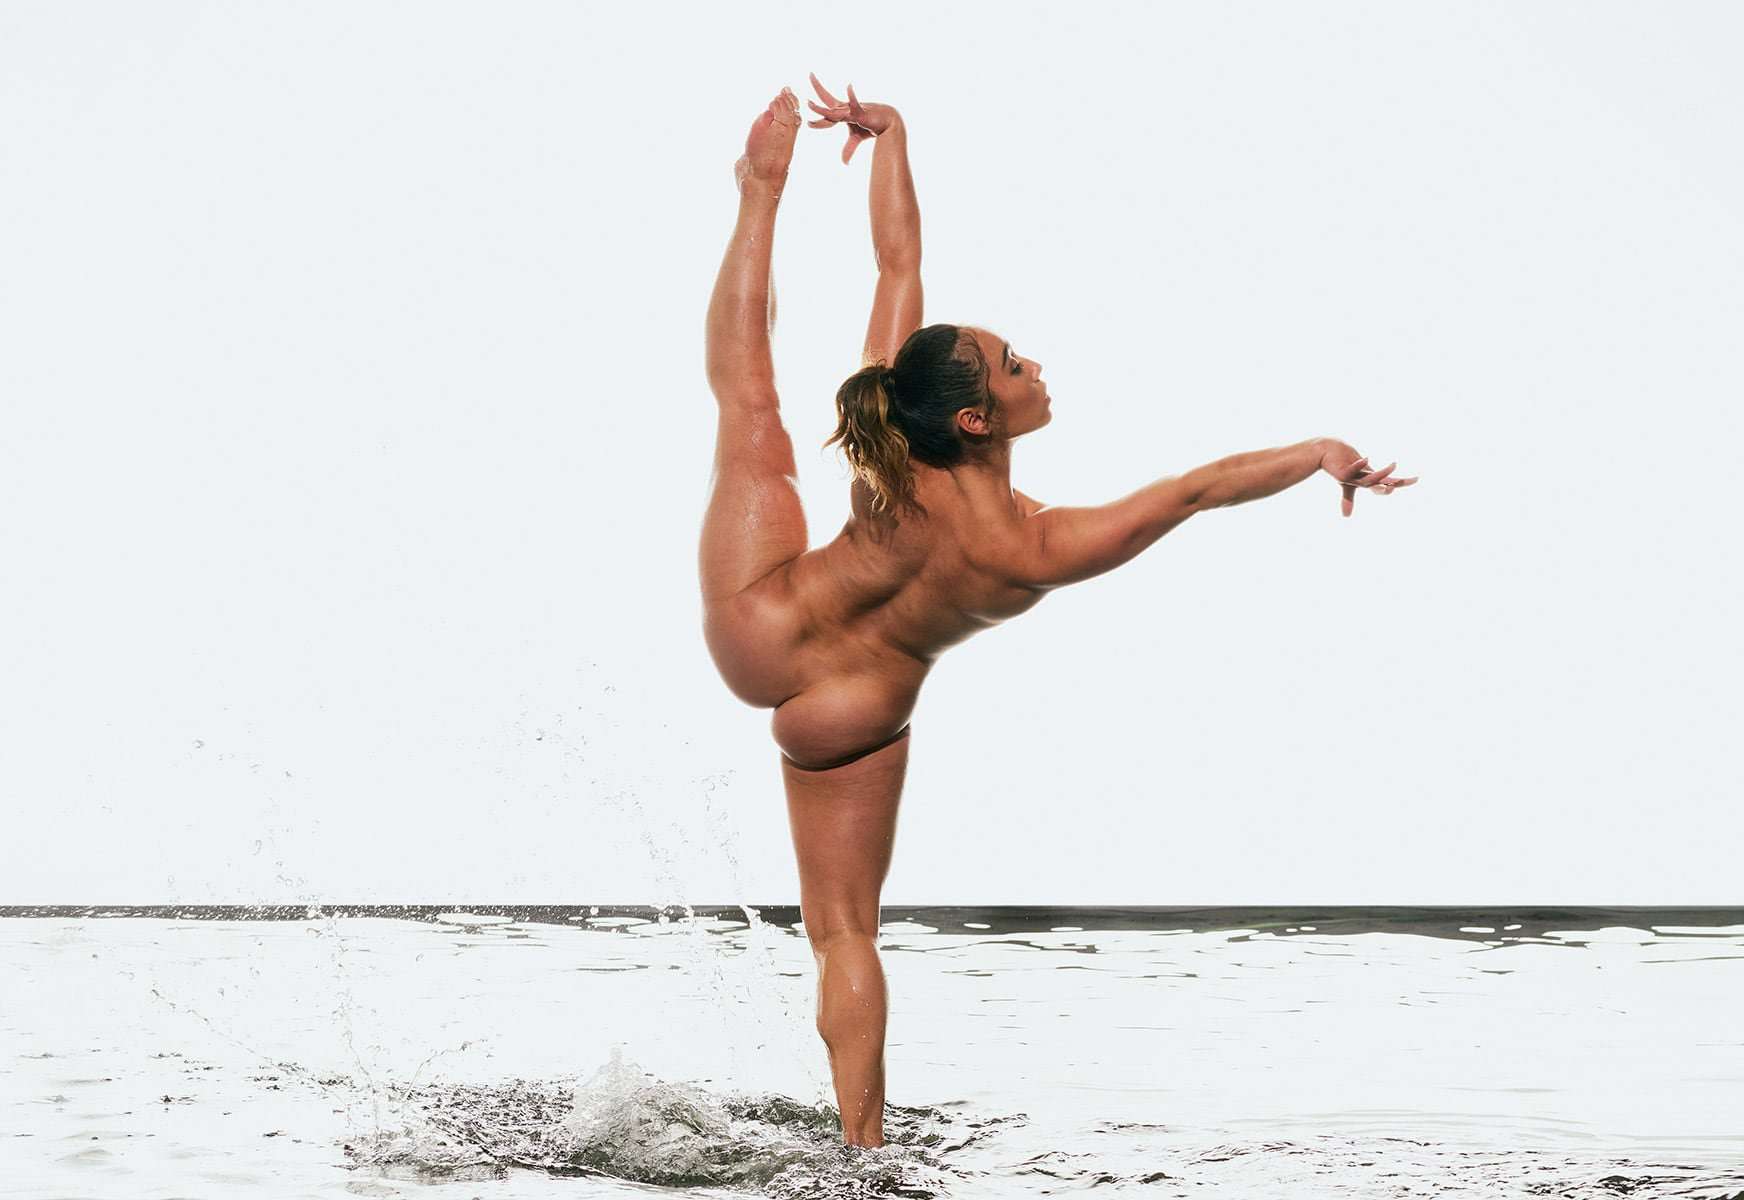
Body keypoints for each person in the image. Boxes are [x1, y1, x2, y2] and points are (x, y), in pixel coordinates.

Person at [699, 78, 1416, 1148]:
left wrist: (889, 139)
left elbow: (898, 266)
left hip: (760, 628)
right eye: (1013, 364)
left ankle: (755, 194)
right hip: (851, 715)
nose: (1035, 367)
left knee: (751, 410)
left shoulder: (897, 452)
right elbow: (1195, 492)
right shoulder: (1034, 550)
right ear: (978, 419)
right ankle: (862, 1155)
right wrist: (1317, 453)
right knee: (845, 934)